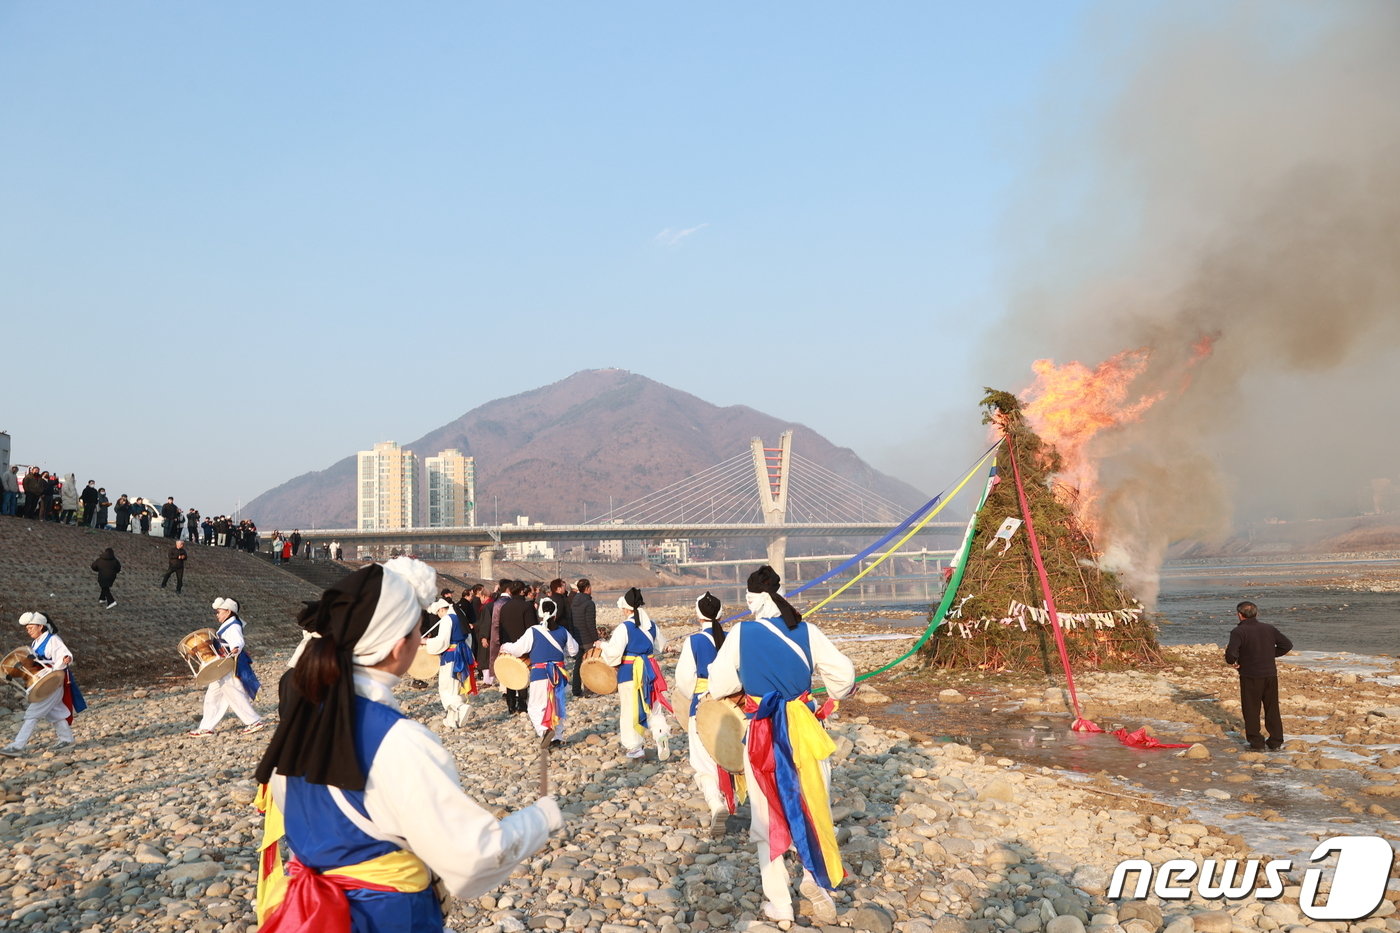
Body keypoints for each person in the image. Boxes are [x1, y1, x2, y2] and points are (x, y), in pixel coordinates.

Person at [252, 557, 563, 931]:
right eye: (418, 631)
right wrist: (541, 819)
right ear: (400, 646)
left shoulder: (301, 719)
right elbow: (471, 859)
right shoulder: (397, 740)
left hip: (310, 913)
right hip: (387, 917)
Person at [705, 566, 855, 924]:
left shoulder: (742, 632)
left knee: (766, 813)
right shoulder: (807, 630)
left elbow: (719, 684)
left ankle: (781, 905)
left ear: (750, 599)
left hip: (763, 730)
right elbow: (845, 676)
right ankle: (813, 878)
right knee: (812, 803)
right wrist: (833, 697)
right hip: (804, 727)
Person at [674, 592, 742, 837]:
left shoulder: (693, 642)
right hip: (734, 706)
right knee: (735, 756)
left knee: (703, 762)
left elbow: (684, 681)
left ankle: (716, 804)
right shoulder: (732, 639)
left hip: (703, 708)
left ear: (697, 615)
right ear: (722, 614)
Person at [599, 586, 672, 760]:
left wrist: (601, 645)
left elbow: (614, 653)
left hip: (629, 672)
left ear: (626, 608)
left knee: (630, 709)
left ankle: (635, 748)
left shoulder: (624, 628)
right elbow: (660, 646)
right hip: (649, 671)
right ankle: (661, 734)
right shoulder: (651, 626)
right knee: (653, 706)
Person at [1, 612, 86, 756]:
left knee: (32, 714)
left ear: (41, 626)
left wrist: (65, 659)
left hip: (52, 681)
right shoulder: (36, 642)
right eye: (27, 628)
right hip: (45, 680)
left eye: (31, 627)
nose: (28, 630)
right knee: (56, 712)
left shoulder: (53, 639)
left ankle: (17, 746)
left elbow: (65, 654)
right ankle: (67, 739)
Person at [500, 596, 578, 744]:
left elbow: (518, 649)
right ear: (555, 614)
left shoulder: (533, 631)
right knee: (558, 705)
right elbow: (573, 651)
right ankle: (557, 737)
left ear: (540, 614)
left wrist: (505, 646)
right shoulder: (563, 631)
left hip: (540, 673)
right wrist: (562, 653)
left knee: (535, 706)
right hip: (559, 674)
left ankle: (545, 730)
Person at [188, 597, 264, 736]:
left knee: (235, 695)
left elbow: (238, 641)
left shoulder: (233, 625)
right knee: (213, 696)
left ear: (228, 611)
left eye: (219, 612)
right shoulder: (229, 624)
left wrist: (235, 648)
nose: (217, 614)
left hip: (230, 665)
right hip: (222, 665)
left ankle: (253, 721)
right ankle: (206, 727)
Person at [1225, 600, 1293, 751]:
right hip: (1270, 675)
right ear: (1257, 613)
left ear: (1239, 615)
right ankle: (1275, 741)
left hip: (1250, 675)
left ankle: (1257, 742)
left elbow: (1230, 655)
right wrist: (1268, 655)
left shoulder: (1238, 632)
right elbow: (1287, 645)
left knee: (1251, 709)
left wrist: (1236, 661)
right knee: (1272, 708)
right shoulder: (1269, 628)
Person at [423, 598, 474, 729]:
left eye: (438, 613)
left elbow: (442, 641)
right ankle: (453, 720)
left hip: (451, 655)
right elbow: (468, 636)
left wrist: (426, 642)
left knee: (447, 687)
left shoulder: (447, 619)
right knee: (457, 685)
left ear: (441, 609)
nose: (439, 616)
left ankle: (460, 707)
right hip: (462, 653)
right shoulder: (459, 615)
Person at [494, 581, 536, 714]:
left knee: (510, 672)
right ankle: (522, 704)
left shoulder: (505, 606)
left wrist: (502, 643)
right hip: (523, 643)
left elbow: (500, 626)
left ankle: (511, 704)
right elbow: (532, 628)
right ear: (522, 591)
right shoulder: (527, 607)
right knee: (523, 672)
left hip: (508, 643)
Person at [569, 578, 598, 697]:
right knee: (589, 664)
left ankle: (576, 689)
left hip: (576, 637)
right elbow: (590, 623)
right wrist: (595, 639)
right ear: (587, 588)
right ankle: (588, 689)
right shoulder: (589, 603)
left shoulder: (574, 601)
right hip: (587, 638)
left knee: (578, 664)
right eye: (590, 587)